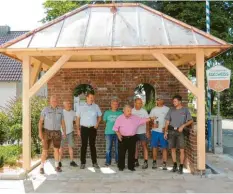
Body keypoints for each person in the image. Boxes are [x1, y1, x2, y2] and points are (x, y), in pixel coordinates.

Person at [113, 105, 155, 171]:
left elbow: (143, 120)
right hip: (122, 138)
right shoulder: (119, 118)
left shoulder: (135, 117)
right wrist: (118, 134)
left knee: (132, 153)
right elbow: (115, 128)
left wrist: (150, 118)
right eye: (128, 111)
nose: (130, 112)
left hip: (132, 138)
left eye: (130, 111)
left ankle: (131, 167)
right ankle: (121, 166)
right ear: (124, 111)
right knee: (121, 153)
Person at [164, 95, 193, 174]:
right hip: (171, 131)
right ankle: (174, 165)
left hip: (181, 132)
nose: (173, 103)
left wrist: (183, 126)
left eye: (175, 101)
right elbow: (167, 122)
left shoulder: (185, 110)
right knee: (172, 149)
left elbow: (191, 121)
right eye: (173, 101)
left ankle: (180, 167)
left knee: (181, 150)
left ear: (180, 101)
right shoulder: (171, 110)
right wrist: (166, 132)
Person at [38, 96, 66, 174]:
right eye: (53, 101)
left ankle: (57, 166)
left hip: (57, 132)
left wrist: (64, 132)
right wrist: (40, 133)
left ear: (57, 101)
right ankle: (41, 167)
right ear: (50, 101)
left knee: (56, 150)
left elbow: (63, 122)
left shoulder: (61, 110)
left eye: (56, 100)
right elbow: (40, 122)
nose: (54, 102)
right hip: (47, 132)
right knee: (45, 150)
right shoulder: (45, 110)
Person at [76, 92, 102, 169]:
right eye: (90, 97)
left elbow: (100, 116)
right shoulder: (80, 106)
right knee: (83, 146)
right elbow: (77, 119)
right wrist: (78, 129)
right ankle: (82, 163)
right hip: (84, 128)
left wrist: (97, 124)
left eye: (93, 97)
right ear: (86, 98)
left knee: (92, 146)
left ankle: (94, 162)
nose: (92, 99)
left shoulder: (96, 106)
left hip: (92, 129)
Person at [149, 96, 170, 170]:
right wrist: (152, 124)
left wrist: (166, 129)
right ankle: (154, 162)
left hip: (163, 131)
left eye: (160, 99)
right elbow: (150, 119)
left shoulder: (167, 109)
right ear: (156, 101)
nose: (159, 101)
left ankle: (164, 163)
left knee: (164, 147)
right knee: (154, 147)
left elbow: (170, 120)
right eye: (157, 99)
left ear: (163, 100)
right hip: (155, 131)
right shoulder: (153, 109)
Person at [103, 99, 122, 166]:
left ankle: (117, 161)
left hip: (118, 133)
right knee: (108, 148)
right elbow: (105, 122)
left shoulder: (120, 113)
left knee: (117, 148)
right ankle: (108, 161)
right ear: (111, 105)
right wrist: (109, 128)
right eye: (113, 104)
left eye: (116, 104)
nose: (115, 105)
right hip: (108, 133)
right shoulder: (107, 112)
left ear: (118, 105)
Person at [59, 101, 78, 167]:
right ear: (64, 105)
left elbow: (76, 121)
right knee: (61, 148)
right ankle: (59, 161)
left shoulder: (73, 112)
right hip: (62, 132)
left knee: (70, 147)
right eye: (68, 103)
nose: (69, 104)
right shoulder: (62, 112)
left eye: (70, 103)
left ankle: (72, 161)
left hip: (70, 132)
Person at [132, 98, 150, 169]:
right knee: (135, 147)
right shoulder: (132, 111)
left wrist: (147, 131)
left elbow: (147, 121)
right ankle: (136, 161)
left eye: (140, 103)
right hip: (134, 132)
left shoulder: (144, 111)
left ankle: (145, 162)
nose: (139, 104)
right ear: (134, 103)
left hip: (142, 132)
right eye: (137, 103)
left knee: (144, 146)